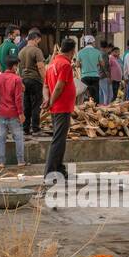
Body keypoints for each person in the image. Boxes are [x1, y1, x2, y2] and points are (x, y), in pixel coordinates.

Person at [44, 36, 77, 180]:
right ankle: (50, 172)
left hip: (57, 106)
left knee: (60, 139)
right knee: (58, 140)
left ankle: (59, 169)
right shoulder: (65, 65)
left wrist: (47, 100)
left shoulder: (51, 64)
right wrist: (50, 101)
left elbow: (45, 86)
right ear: (72, 51)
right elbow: (59, 86)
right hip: (61, 106)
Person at [0, 50, 27, 167]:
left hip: (1, 113)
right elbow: (18, 98)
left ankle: (1, 162)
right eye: (17, 65)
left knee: (1, 138)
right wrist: (21, 113)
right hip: (14, 113)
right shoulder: (17, 79)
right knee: (18, 138)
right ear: (14, 66)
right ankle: (20, 161)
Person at [76, 34, 103, 104]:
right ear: (93, 42)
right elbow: (102, 64)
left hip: (84, 76)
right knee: (96, 94)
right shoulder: (97, 52)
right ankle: (96, 109)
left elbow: (77, 65)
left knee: (86, 95)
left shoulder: (80, 52)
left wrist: (84, 64)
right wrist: (96, 64)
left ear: (85, 43)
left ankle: (86, 110)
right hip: (95, 76)